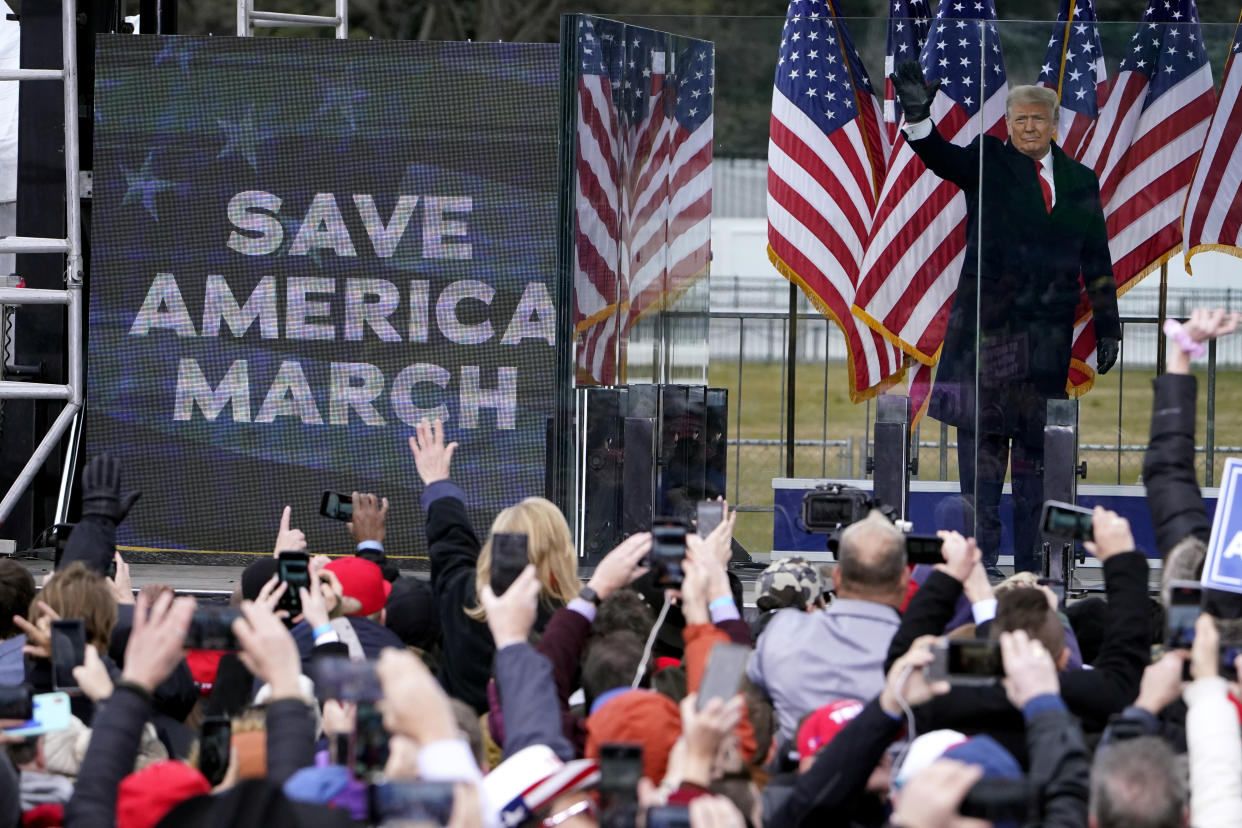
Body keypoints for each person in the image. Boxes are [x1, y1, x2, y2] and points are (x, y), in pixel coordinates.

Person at [889, 62, 1122, 575]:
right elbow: (941, 159)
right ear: (1008, 124)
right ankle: (981, 564)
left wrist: (1108, 326)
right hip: (986, 343)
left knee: (1038, 464)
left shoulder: (1083, 181)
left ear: (1054, 124)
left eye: (1037, 120)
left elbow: (1097, 261)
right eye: (1019, 120)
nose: (1027, 128)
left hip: (1045, 350)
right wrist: (917, 117)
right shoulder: (988, 161)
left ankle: (1037, 566)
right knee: (983, 463)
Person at [408, 417, 582, 712]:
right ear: (562, 552)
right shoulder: (571, 625)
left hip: (469, 746)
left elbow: (451, 543)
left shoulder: (462, 597)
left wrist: (438, 483)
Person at [748, 510, 908, 744]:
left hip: (797, 772)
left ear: (837, 577)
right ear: (904, 579)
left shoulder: (782, 632)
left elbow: (725, 694)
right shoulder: (922, 655)